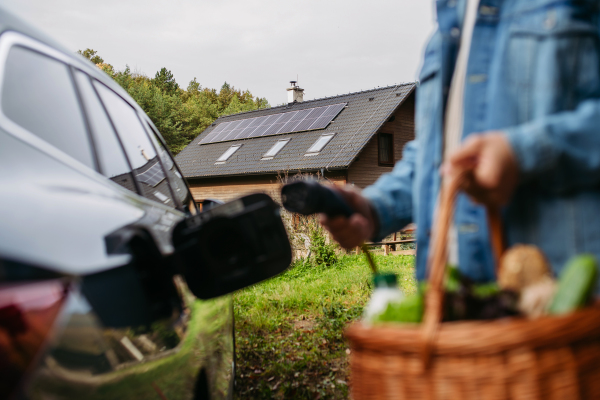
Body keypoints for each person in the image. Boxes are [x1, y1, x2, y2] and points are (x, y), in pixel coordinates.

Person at [321, 0, 600, 284]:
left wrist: (525, 153)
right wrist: (376, 207)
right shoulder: (450, 18)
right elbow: (440, 157)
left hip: (559, 301)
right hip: (451, 304)